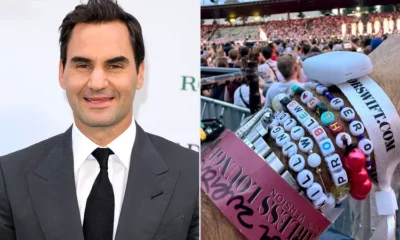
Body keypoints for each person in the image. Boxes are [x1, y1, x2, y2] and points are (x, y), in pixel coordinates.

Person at [0, 1, 199, 240]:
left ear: (140, 74)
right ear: (62, 73)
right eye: (83, 65)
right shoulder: (10, 177)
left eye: (114, 65)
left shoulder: (192, 176)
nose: (97, 83)